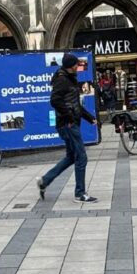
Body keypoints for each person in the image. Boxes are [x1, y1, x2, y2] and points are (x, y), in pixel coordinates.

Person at [37, 52, 97, 202]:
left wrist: (90, 118)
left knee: (71, 156)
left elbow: (75, 104)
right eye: (76, 64)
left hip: (71, 122)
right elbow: (55, 101)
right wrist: (69, 117)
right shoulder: (62, 80)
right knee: (81, 157)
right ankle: (80, 193)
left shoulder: (70, 78)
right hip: (67, 124)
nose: (78, 66)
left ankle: (45, 180)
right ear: (71, 66)